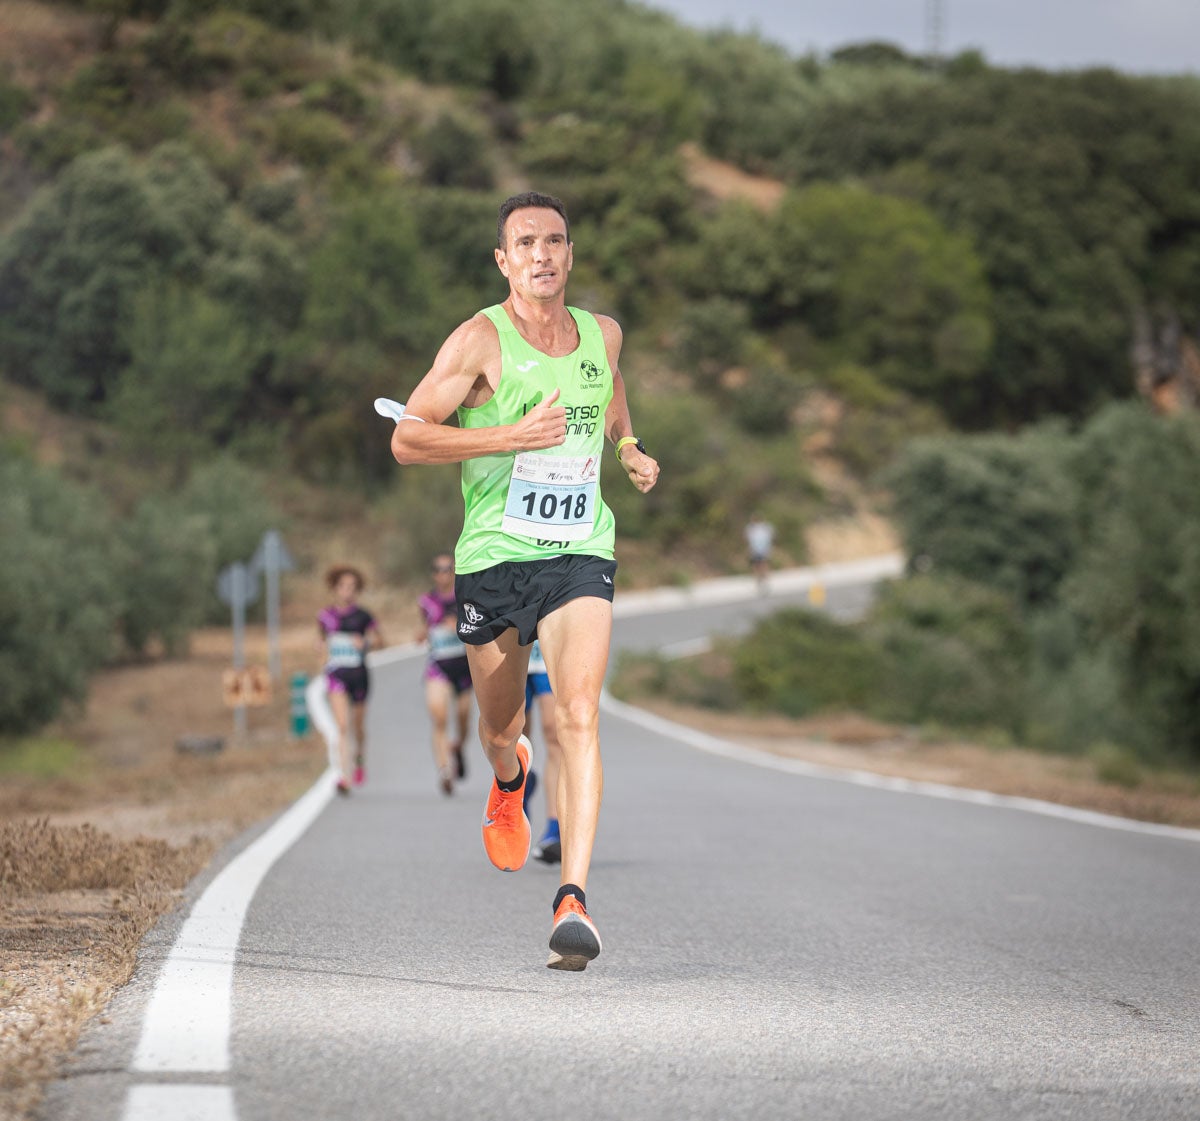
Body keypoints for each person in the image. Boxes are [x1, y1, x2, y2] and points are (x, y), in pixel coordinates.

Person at [389, 190, 660, 970]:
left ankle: (572, 898)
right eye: (525, 243)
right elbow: (408, 438)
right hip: (495, 557)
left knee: (578, 712)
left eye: (555, 240)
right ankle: (509, 780)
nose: (542, 253)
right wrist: (511, 435)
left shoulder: (602, 335)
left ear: (571, 255)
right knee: (502, 727)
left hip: (581, 548)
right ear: (503, 261)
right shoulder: (480, 339)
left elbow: (608, 398)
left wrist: (630, 446)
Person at [316, 565, 384, 795]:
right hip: (336, 674)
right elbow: (321, 643)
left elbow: (379, 641)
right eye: (343, 586)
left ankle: (360, 757)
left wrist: (364, 643)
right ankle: (344, 777)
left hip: (359, 675)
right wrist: (322, 654)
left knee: (357, 726)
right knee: (342, 727)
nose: (348, 591)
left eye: (353, 587)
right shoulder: (326, 616)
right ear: (335, 589)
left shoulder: (364, 616)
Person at [416, 552, 475, 795]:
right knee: (439, 718)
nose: (443, 574)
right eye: (438, 569)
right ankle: (444, 771)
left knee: (462, 718)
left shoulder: (468, 596)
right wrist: (423, 634)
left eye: (448, 568)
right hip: (438, 666)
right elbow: (425, 628)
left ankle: (458, 746)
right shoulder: (426, 601)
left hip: (464, 667)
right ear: (433, 574)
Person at [524, 638, 562, 864]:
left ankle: (554, 830)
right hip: (513, 645)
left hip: (547, 648)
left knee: (553, 732)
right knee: (515, 737)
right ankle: (522, 785)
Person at [745, 513, 774, 591]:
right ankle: (759, 582)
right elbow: (748, 540)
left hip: (763, 550)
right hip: (756, 550)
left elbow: (770, 537)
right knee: (757, 566)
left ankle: (764, 581)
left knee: (763, 565)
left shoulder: (764, 527)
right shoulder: (751, 528)